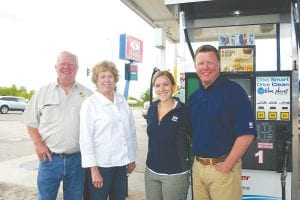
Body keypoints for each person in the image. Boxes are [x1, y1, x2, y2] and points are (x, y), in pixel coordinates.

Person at [22, 51, 93, 200]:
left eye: (71, 64)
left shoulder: (88, 95)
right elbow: (30, 121)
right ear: (56, 67)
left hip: (77, 160)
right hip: (49, 160)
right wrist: (38, 144)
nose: (66, 67)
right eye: (63, 64)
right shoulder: (42, 92)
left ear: (77, 68)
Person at [189, 45, 257, 200]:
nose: (205, 67)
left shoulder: (234, 92)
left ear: (219, 64)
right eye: (201, 63)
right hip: (198, 168)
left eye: (210, 62)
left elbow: (247, 134)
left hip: (223, 168)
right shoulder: (194, 97)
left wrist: (227, 165)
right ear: (195, 67)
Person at [80, 60, 137, 200]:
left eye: (110, 76)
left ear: (115, 79)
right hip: (101, 166)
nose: (107, 80)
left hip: (121, 164)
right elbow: (85, 139)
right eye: (102, 76)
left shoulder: (122, 101)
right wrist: (93, 170)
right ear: (96, 80)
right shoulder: (90, 104)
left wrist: (131, 158)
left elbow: (130, 131)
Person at [145, 71, 191, 200]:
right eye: (157, 85)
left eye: (166, 84)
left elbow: (195, 139)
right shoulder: (152, 109)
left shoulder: (184, 111)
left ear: (173, 86)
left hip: (175, 174)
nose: (161, 89)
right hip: (151, 172)